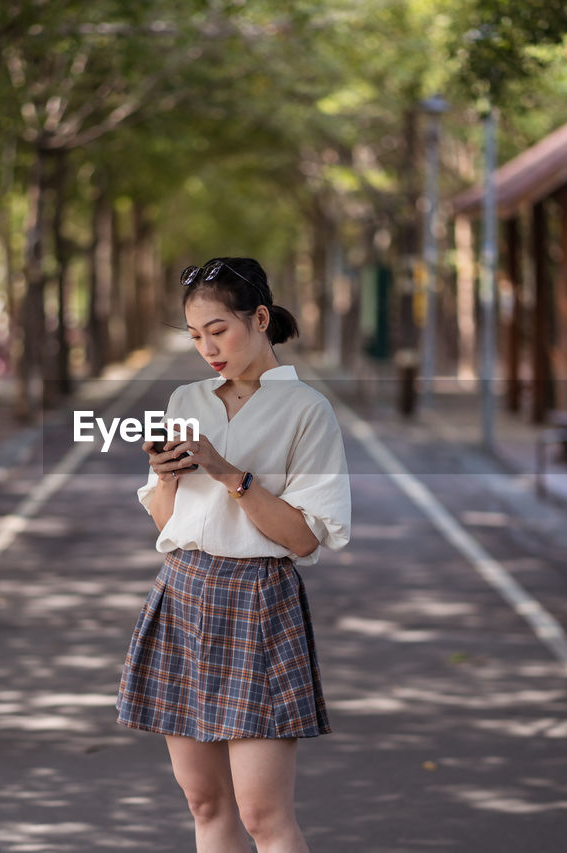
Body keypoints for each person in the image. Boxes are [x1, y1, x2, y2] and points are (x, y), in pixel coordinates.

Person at [116, 257, 352, 852]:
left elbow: (302, 538)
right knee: (204, 803)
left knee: (262, 815)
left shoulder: (307, 411)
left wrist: (229, 474)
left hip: (258, 602)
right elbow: (169, 525)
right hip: (182, 592)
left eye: (218, 331)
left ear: (261, 318)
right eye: (195, 336)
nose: (207, 349)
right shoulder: (185, 398)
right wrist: (165, 475)